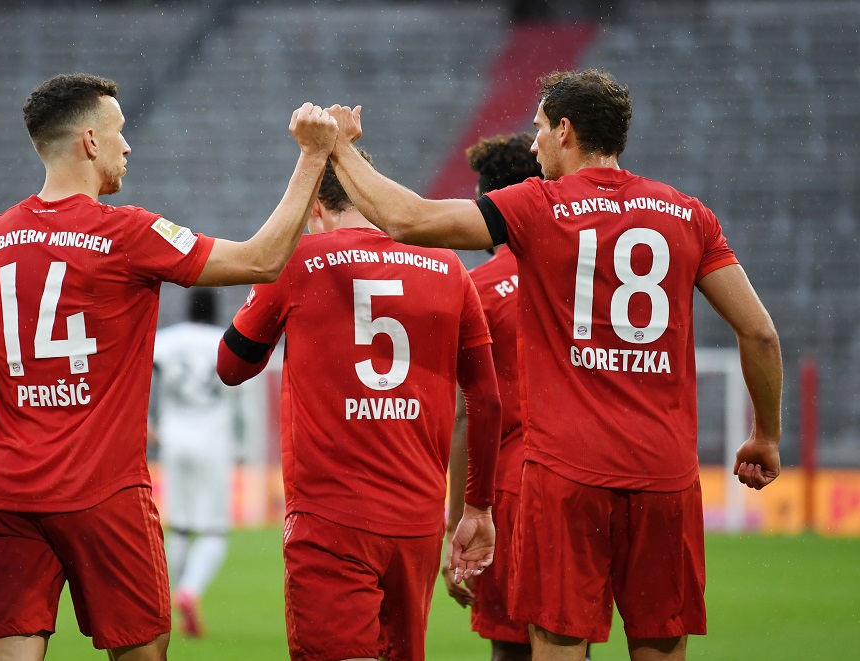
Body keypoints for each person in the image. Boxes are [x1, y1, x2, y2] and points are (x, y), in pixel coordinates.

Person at [322, 68, 783, 661]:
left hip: (567, 475)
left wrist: (340, 150)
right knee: (660, 645)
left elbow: (410, 219)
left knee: (557, 646)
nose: (532, 143)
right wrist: (766, 435)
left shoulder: (540, 207)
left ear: (566, 131)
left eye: (539, 129)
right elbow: (760, 332)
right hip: (665, 475)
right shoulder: (689, 215)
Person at [0, 72, 337, 661]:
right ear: (90, 141)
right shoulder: (129, 234)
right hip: (105, 495)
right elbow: (261, 261)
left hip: (10, 497)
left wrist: (2, 422)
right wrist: (312, 156)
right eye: (119, 132)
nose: (128, 146)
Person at [215, 149, 502, 661]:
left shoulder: (298, 262)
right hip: (416, 526)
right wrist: (477, 506)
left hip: (331, 517)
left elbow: (232, 367)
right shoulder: (447, 265)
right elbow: (485, 399)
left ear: (313, 208)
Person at [443, 133, 550, 661]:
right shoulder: (581, 275)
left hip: (511, 486)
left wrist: (455, 522)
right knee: (570, 637)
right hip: (586, 479)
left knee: (512, 649)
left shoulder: (477, 288)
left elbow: (468, 414)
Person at [150, 288, 239, 638]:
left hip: (174, 440)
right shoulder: (224, 341)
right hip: (214, 442)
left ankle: (162, 600)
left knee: (181, 526)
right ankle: (189, 591)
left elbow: (139, 371)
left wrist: (146, 423)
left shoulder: (167, 341)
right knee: (215, 530)